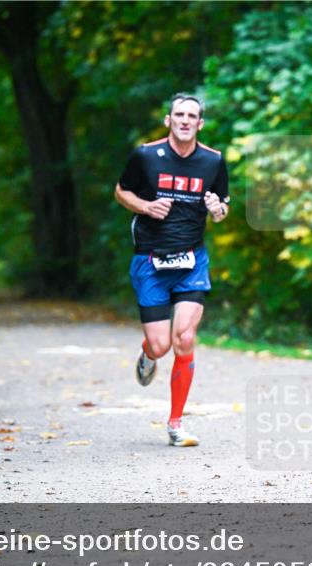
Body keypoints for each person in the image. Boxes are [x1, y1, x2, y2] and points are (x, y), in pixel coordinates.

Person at [115, 93, 230, 447]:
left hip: (191, 261)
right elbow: (121, 192)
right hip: (150, 260)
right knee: (162, 345)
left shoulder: (213, 161)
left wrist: (216, 208)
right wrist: (147, 207)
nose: (184, 120)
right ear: (168, 120)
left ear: (200, 123)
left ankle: (176, 423)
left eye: (191, 116)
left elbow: (223, 207)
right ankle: (149, 353)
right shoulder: (146, 156)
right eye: (178, 114)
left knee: (184, 339)